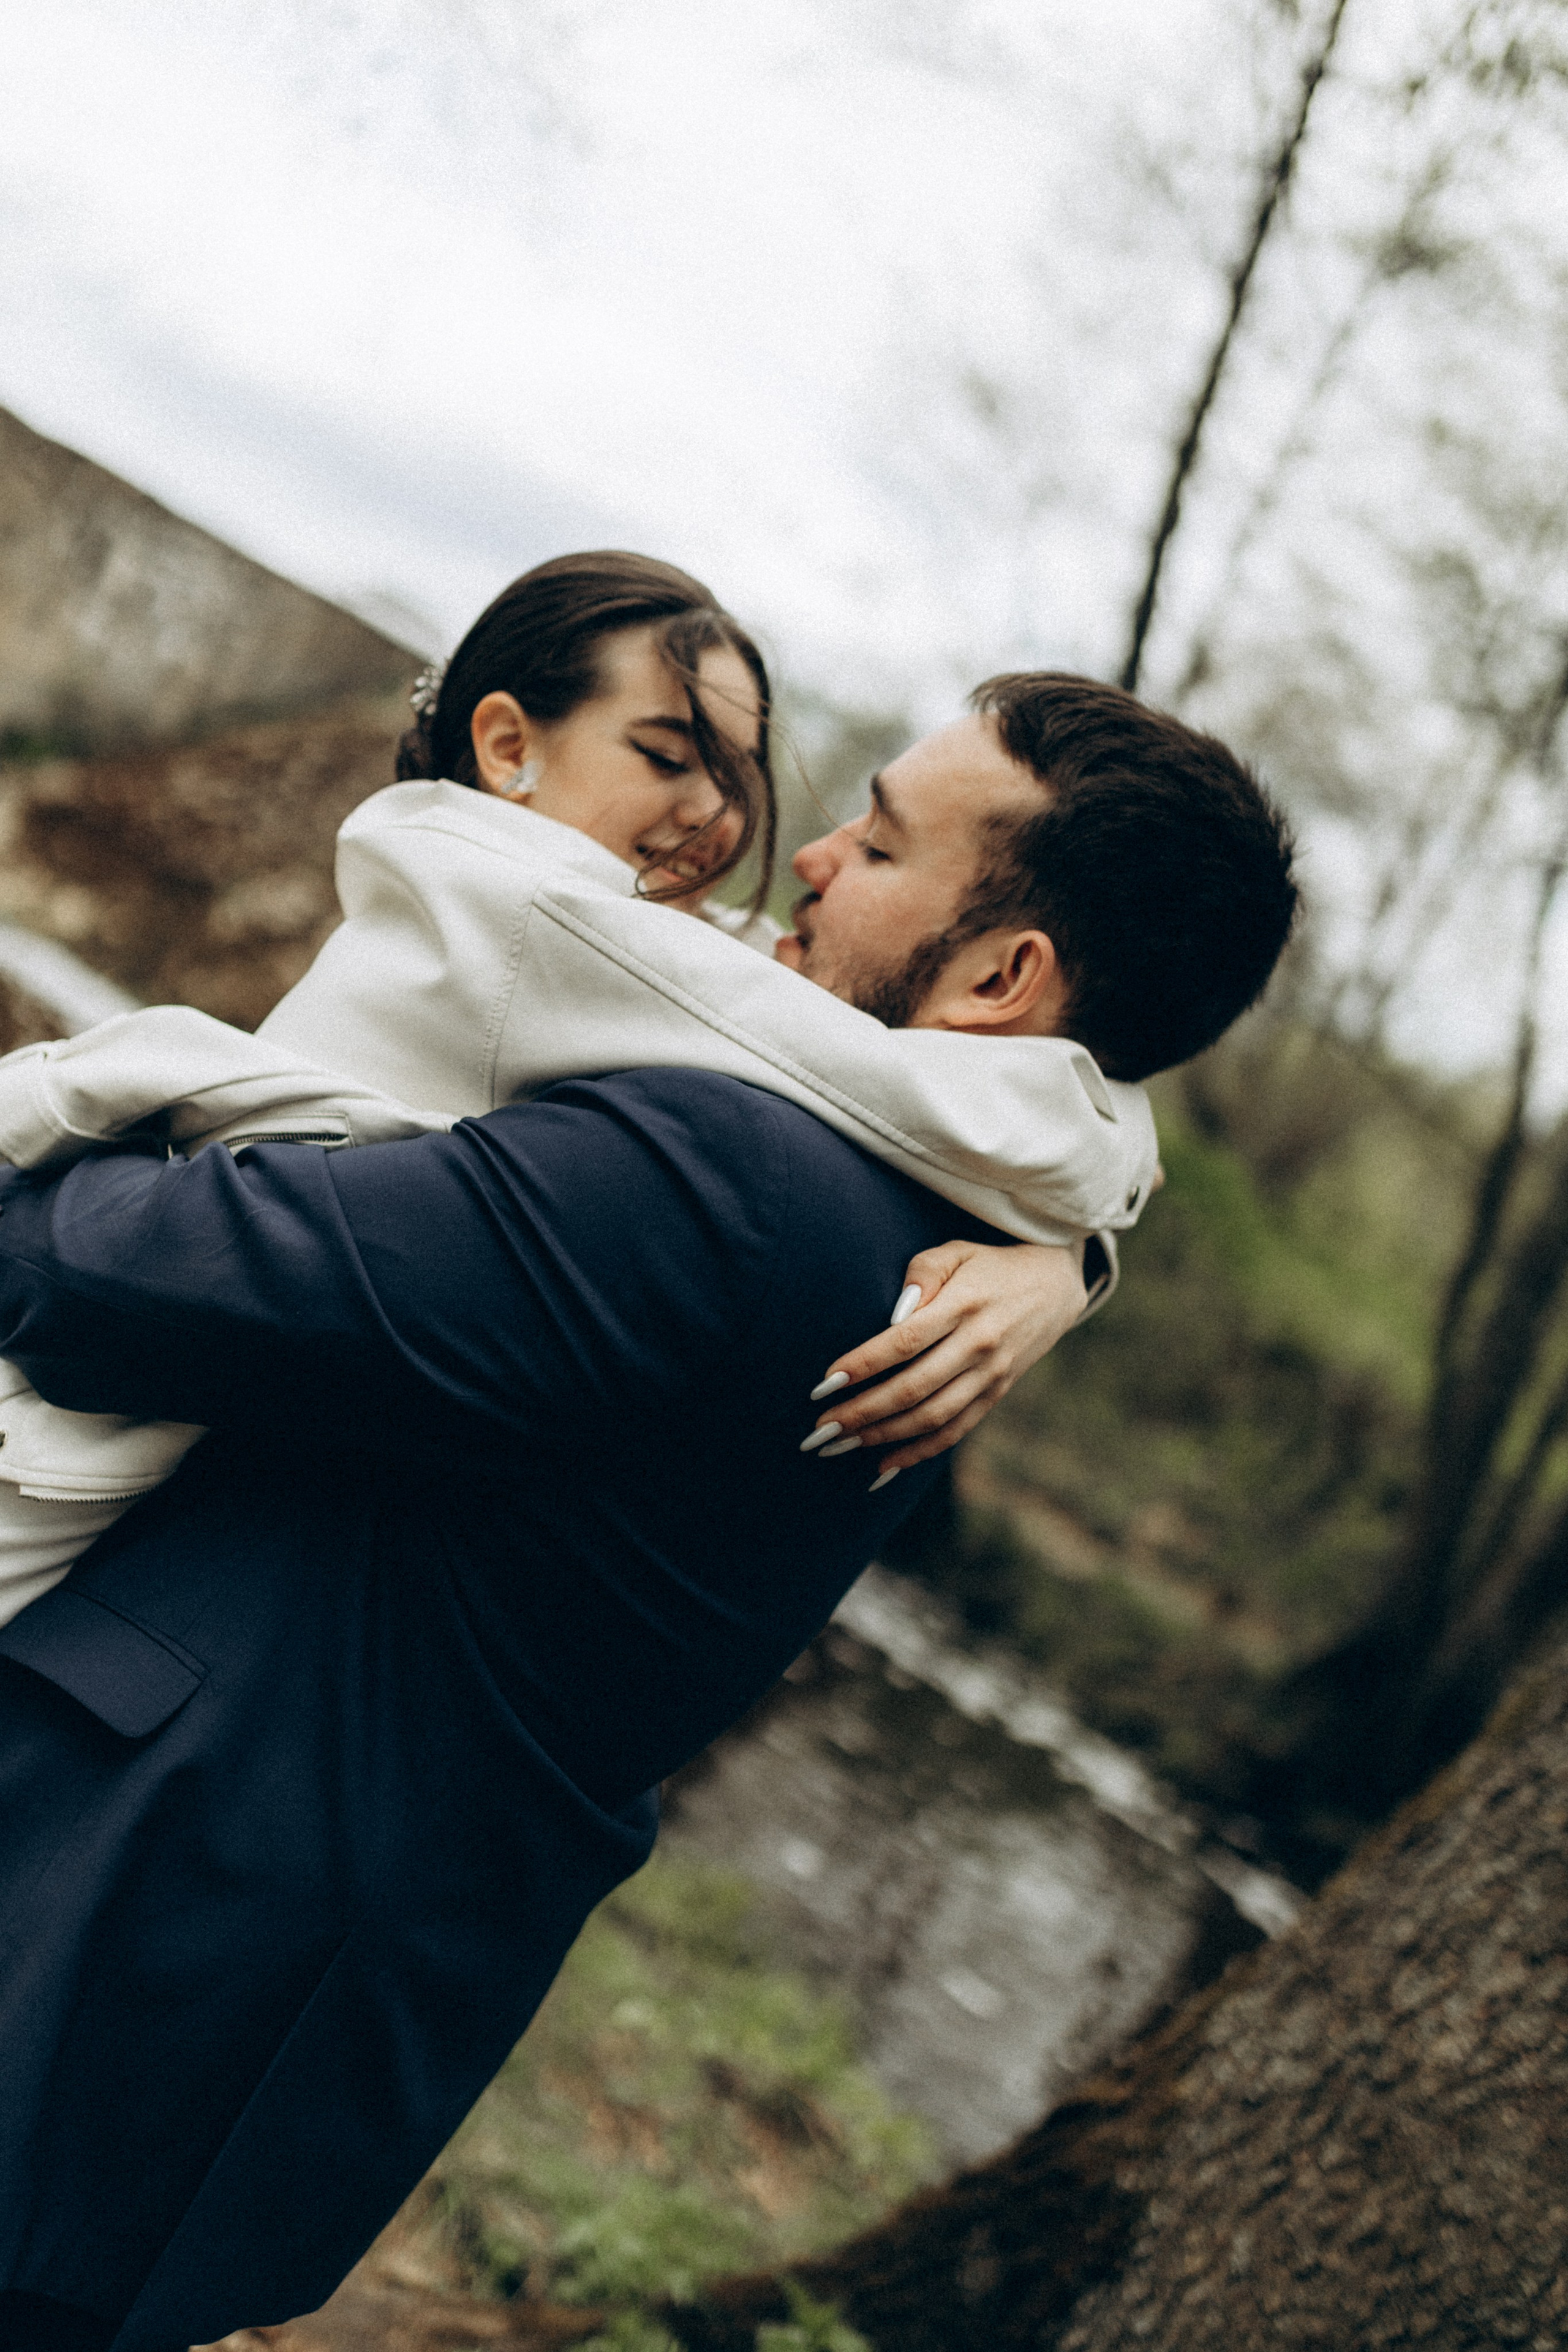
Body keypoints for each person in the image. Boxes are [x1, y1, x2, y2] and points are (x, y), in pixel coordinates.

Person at [0, 660, 1295, 2351]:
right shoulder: (948, 1240)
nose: (810, 856)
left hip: (124, 1942)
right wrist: (1076, 1255)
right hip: (280, 2027)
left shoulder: (732, 1189)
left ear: (1002, 975)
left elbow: (131, 1276)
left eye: (883, 842)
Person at [0, 555, 1159, 1624]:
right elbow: (936, 1085)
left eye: (735, 776)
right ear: (509, 746)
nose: (714, 816)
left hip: (120, 1420)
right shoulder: (540, 916)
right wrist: (1075, 1254)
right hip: (49, 1458)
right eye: (665, 757)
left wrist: (1065, 1264)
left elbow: (816, 1004)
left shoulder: (562, 910)